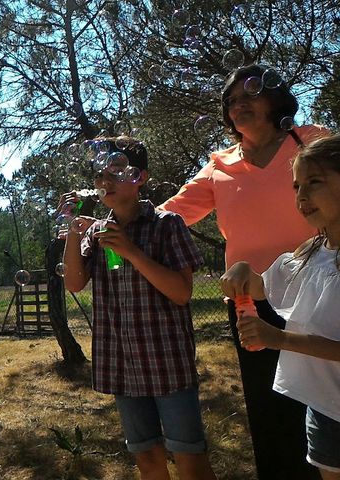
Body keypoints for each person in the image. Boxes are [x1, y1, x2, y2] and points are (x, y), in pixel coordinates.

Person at [159, 63, 328, 479]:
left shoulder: (309, 140)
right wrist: (114, 218)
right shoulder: (219, 166)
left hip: (320, 293)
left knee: (326, 405)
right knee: (269, 409)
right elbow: (169, 214)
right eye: (231, 101)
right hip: (250, 304)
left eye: (249, 94)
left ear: (276, 98)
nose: (239, 105)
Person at [61, 138, 217, 480]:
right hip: (122, 364)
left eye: (117, 172)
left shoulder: (167, 224)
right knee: (146, 458)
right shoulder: (97, 232)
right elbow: (73, 283)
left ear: (141, 177)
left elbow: (181, 293)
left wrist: (132, 252)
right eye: (101, 175)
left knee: (189, 458)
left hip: (167, 364)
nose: (107, 182)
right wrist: (73, 232)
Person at [221, 134, 340, 479]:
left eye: (314, 182)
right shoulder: (311, 253)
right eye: (296, 186)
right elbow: (263, 286)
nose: (301, 196)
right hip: (324, 408)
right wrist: (244, 269)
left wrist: (280, 339)